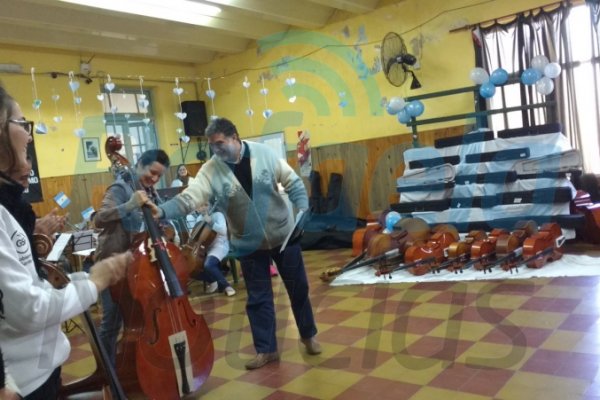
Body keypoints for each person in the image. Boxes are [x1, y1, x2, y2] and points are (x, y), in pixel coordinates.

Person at [153, 117, 321, 370]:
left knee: (299, 290)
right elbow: (189, 198)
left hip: (284, 236)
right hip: (247, 244)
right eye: (212, 145)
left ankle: (308, 336)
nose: (216, 150)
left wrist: (303, 209)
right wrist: (161, 211)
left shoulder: (264, 153)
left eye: (220, 143)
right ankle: (266, 350)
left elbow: (293, 182)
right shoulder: (210, 170)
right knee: (258, 299)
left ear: (235, 137)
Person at [0, 84, 131, 399]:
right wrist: (95, 279)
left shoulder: (10, 208)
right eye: (22, 124)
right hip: (24, 383)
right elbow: (31, 309)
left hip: (36, 373)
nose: (30, 135)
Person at [94, 148, 170, 366]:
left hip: (139, 267)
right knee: (112, 322)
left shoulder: (151, 192)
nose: (154, 179)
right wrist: (129, 205)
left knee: (140, 319)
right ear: (139, 165)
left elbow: (157, 222)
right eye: (151, 172)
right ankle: (106, 372)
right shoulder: (120, 187)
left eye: (159, 176)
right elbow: (100, 218)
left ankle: (138, 366)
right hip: (112, 265)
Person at [191, 202, 236, 296]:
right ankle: (212, 281)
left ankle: (227, 286)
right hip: (204, 248)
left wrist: (211, 222)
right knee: (190, 268)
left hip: (219, 245)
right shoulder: (199, 219)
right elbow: (195, 237)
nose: (203, 208)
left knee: (208, 265)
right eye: (200, 206)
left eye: (205, 205)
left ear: (210, 205)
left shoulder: (217, 215)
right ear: (196, 209)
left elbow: (223, 231)